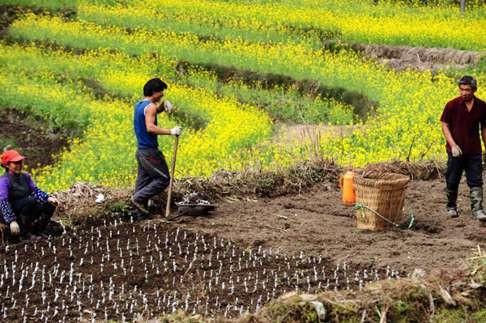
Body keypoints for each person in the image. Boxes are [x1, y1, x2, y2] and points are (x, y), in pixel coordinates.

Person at [131, 78, 182, 220]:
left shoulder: (140, 105)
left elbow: (149, 113)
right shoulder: (151, 107)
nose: (162, 95)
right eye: (161, 92)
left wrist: (162, 106)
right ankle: (137, 198)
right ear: (154, 92)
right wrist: (171, 131)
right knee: (163, 178)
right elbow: (150, 127)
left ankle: (139, 215)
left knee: (142, 182)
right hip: (150, 152)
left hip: (141, 151)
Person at [440, 75, 486, 220]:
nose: (464, 92)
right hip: (455, 151)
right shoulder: (452, 105)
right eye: (462, 89)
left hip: (474, 149)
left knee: (476, 180)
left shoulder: (482, 106)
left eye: (468, 89)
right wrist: (452, 144)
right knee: (452, 179)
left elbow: (484, 128)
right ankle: (451, 207)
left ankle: (477, 209)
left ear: (474, 90)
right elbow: (444, 124)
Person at [0, 147, 58, 240]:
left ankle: (38, 230)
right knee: (29, 201)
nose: (19, 165)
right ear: (7, 165)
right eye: (15, 163)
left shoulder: (26, 176)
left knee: (49, 205)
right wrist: (11, 221)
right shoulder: (4, 181)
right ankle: (25, 233)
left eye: (20, 162)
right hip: (10, 211)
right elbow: (3, 202)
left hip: (26, 206)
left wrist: (47, 198)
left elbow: (35, 191)